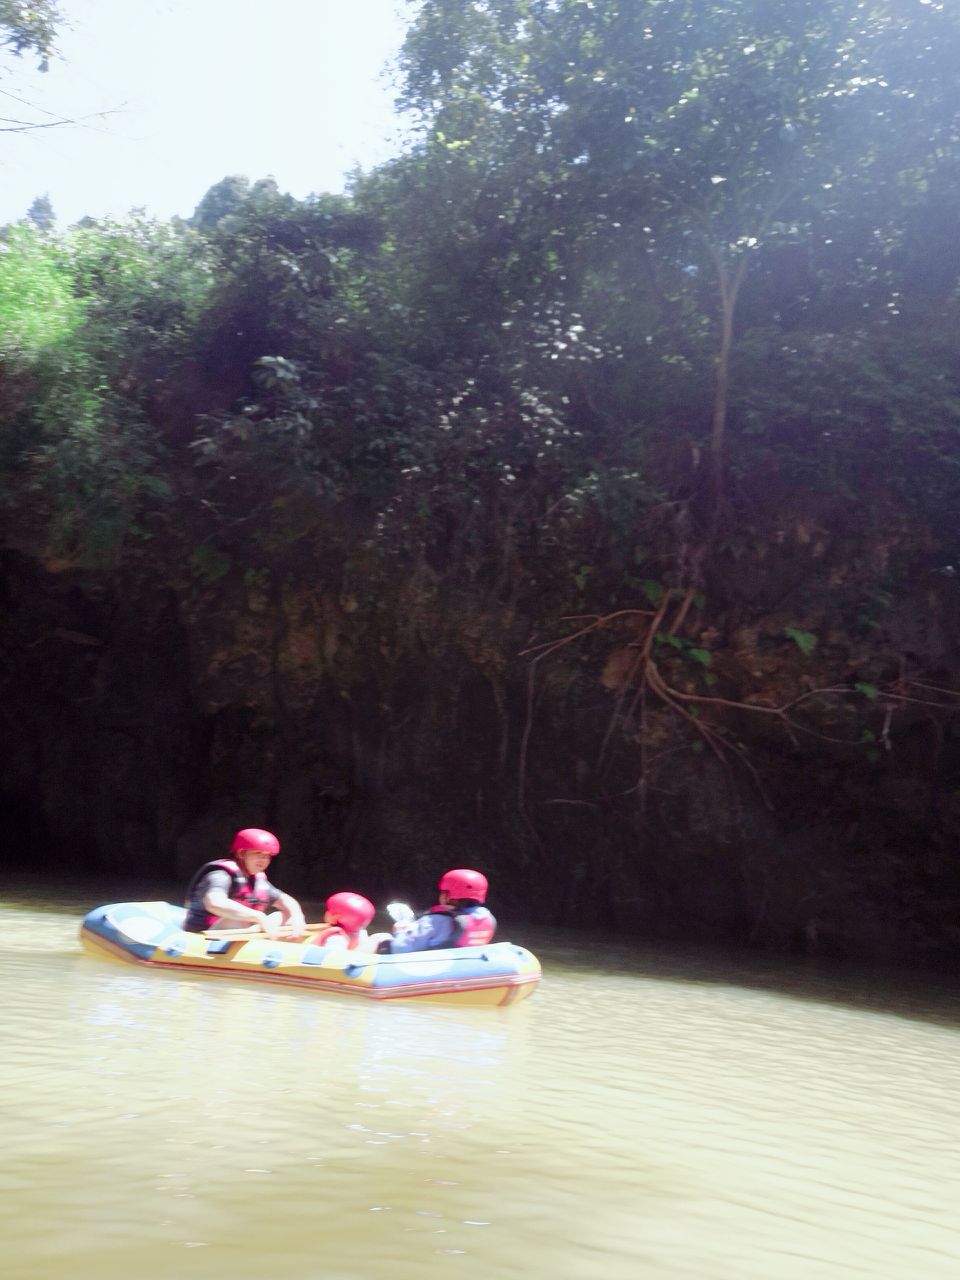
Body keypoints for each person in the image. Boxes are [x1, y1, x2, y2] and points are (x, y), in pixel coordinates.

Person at [182, 827, 307, 936]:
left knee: (285, 915)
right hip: (204, 934)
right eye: (258, 853)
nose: (263, 859)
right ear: (241, 853)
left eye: (267, 855)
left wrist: (298, 917)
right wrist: (258, 917)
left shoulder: (257, 880)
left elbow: (286, 900)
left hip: (236, 932)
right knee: (239, 920)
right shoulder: (220, 875)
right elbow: (214, 902)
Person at [375, 868, 496, 954]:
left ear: (449, 896)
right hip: (463, 967)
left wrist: (399, 931)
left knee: (380, 937)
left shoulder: (435, 920)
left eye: (443, 892)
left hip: (431, 969)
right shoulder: (487, 918)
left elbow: (400, 947)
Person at [307, 892, 376, 951]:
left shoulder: (336, 938)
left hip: (341, 961)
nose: (326, 911)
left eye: (328, 910)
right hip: (355, 954)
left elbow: (333, 956)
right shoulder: (361, 933)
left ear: (336, 917)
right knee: (379, 937)